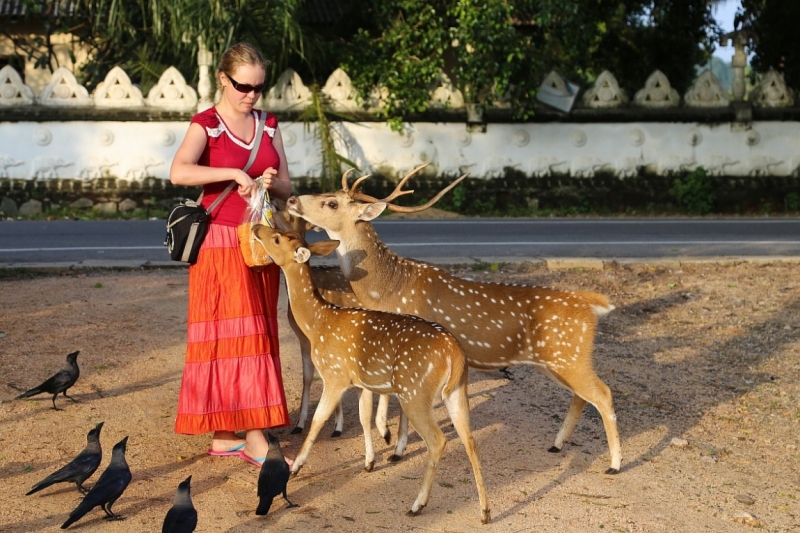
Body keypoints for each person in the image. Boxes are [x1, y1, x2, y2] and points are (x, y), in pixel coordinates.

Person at [169, 42, 293, 467]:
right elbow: (179, 171)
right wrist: (234, 172)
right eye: (243, 86)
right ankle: (254, 435)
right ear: (223, 79)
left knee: (254, 331)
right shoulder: (206, 124)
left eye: (259, 87)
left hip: (259, 241)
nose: (251, 95)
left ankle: (226, 436)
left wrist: (269, 178)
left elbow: (287, 189)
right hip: (219, 243)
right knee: (238, 335)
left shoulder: (269, 124)